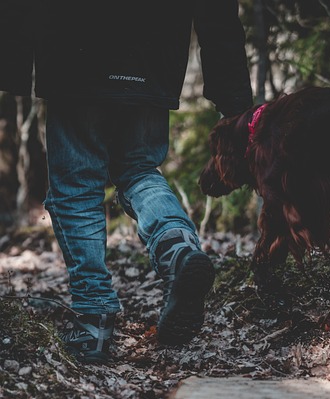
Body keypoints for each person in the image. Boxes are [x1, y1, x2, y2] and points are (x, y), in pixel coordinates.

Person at [0, 0, 253, 363]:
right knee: (139, 171)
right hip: (152, 61)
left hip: (74, 52)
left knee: (76, 187)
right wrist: (234, 97)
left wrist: (14, 64)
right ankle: (177, 249)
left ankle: (94, 319)